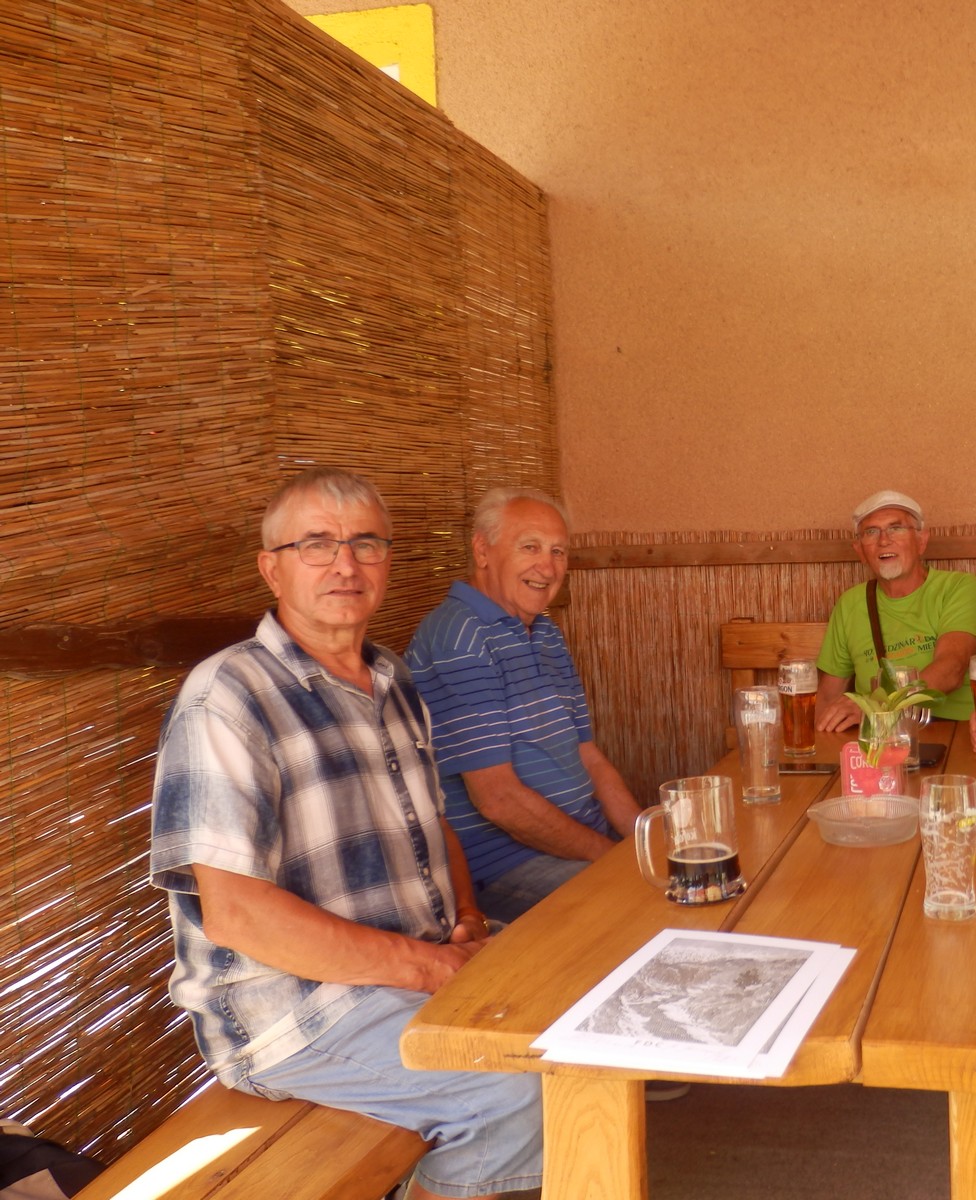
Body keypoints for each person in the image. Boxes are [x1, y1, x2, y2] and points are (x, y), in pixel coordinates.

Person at [150, 467, 542, 1200]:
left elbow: (434, 824)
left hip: (408, 968)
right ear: (272, 569)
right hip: (293, 1010)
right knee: (515, 1089)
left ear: (387, 562)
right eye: (316, 545)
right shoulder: (228, 697)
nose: (345, 564)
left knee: (577, 999)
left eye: (366, 543)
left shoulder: (392, 679)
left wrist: (467, 918)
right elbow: (236, 914)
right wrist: (430, 969)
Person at [405, 489, 642, 923]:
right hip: (506, 868)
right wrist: (612, 859)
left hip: (581, 847)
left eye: (558, 552)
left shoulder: (545, 632)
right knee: (639, 909)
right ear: (482, 551)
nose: (547, 568)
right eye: (530, 547)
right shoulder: (459, 637)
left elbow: (588, 756)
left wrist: (645, 841)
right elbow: (498, 801)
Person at [815, 489, 976, 731]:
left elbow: (951, 669)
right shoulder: (850, 604)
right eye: (871, 532)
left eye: (896, 528)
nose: (883, 540)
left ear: (921, 541)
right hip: (880, 739)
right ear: (860, 551)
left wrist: (875, 706)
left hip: (956, 732)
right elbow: (828, 697)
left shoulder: (958, 587)